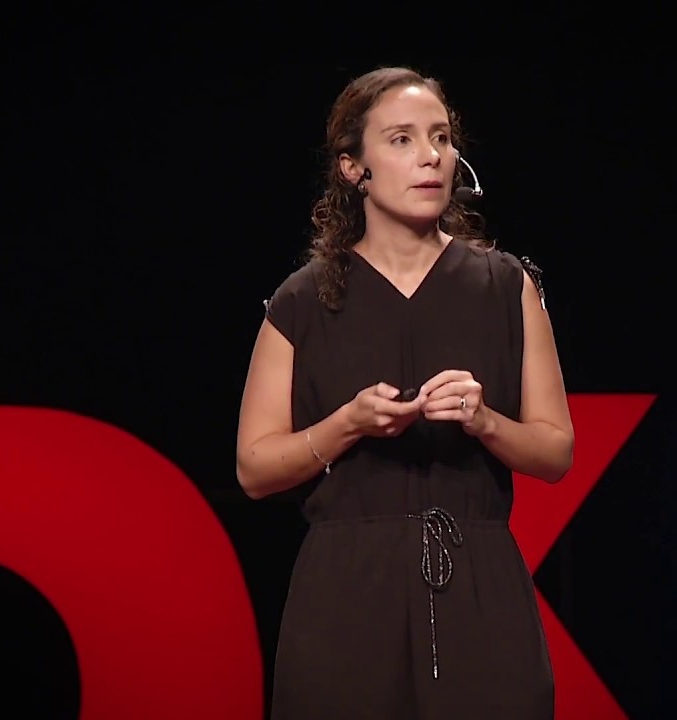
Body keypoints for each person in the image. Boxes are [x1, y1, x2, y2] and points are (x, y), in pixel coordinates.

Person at [235, 66, 574, 719]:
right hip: (346, 593)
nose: (431, 156)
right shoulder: (302, 300)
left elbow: (555, 452)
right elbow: (254, 468)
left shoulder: (506, 287)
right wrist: (348, 424)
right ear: (352, 168)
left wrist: (485, 420)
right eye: (402, 140)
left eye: (441, 137)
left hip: (480, 588)